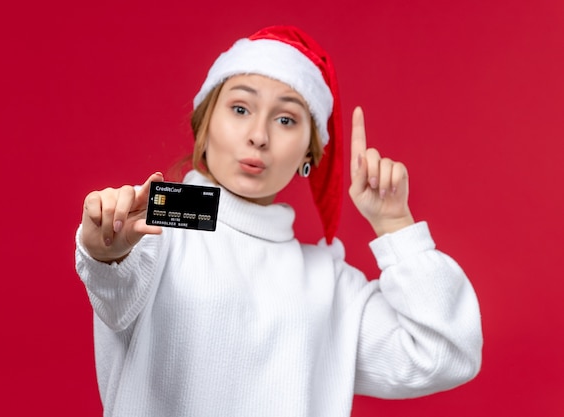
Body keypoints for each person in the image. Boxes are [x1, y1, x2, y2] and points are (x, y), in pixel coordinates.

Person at [75, 25, 483, 417]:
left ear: (310, 154)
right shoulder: (154, 221)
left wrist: (396, 225)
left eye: (286, 119)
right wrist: (105, 254)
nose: (259, 135)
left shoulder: (328, 281)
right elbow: (117, 286)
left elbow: (444, 353)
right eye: (239, 108)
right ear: (204, 124)